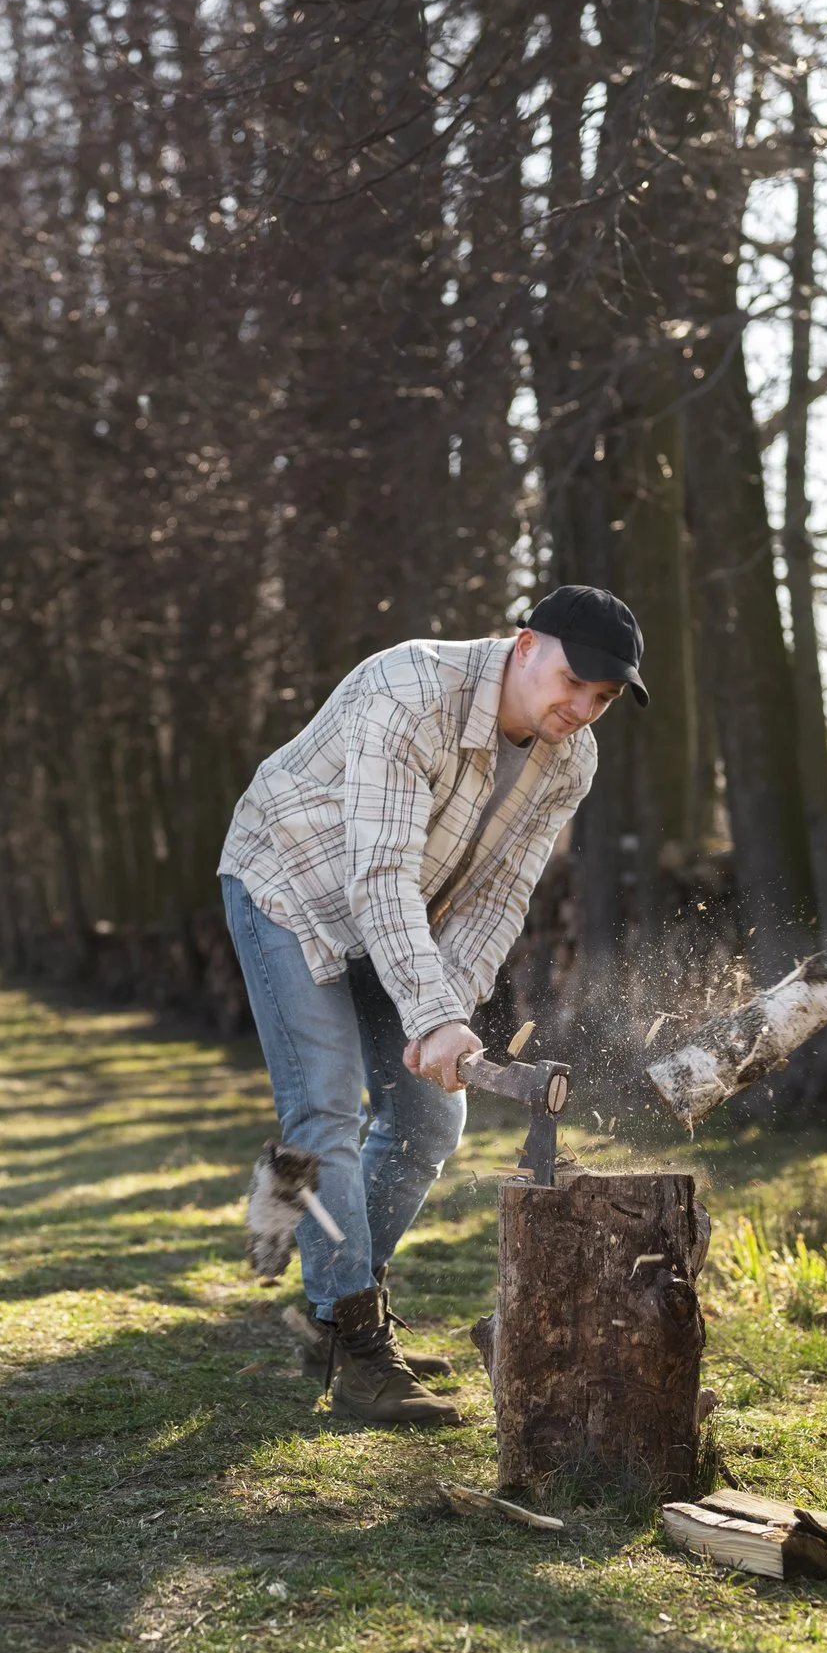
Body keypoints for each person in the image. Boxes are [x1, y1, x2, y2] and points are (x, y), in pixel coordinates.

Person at [217, 585, 648, 1426]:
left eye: (602, 698)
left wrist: (445, 1012)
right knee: (327, 1107)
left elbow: (498, 899)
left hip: (402, 917)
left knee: (429, 1121)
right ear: (525, 645)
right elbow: (377, 872)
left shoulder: (573, 759)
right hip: (289, 886)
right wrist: (428, 1012)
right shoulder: (409, 690)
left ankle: (320, 1292)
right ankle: (356, 1345)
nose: (582, 708)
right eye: (573, 681)